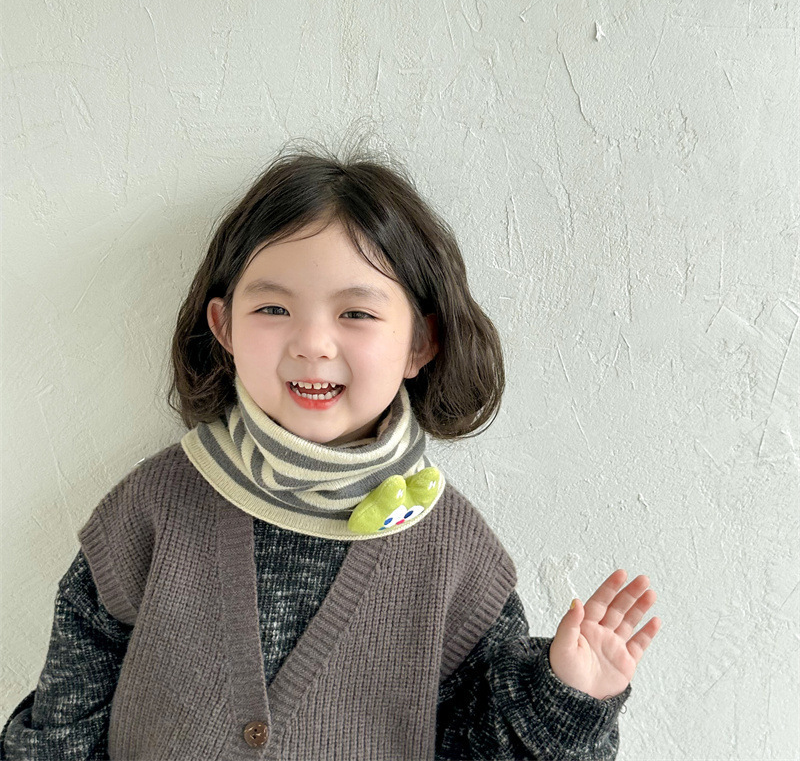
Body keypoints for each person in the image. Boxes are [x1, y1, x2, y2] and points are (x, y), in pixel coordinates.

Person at [1, 145, 661, 760]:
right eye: (273, 309)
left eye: (356, 314)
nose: (313, 343)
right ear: (223, 327)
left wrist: (566, 698)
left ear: (421, 343)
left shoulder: (456, 559)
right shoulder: (150, 510)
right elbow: (62, 729)